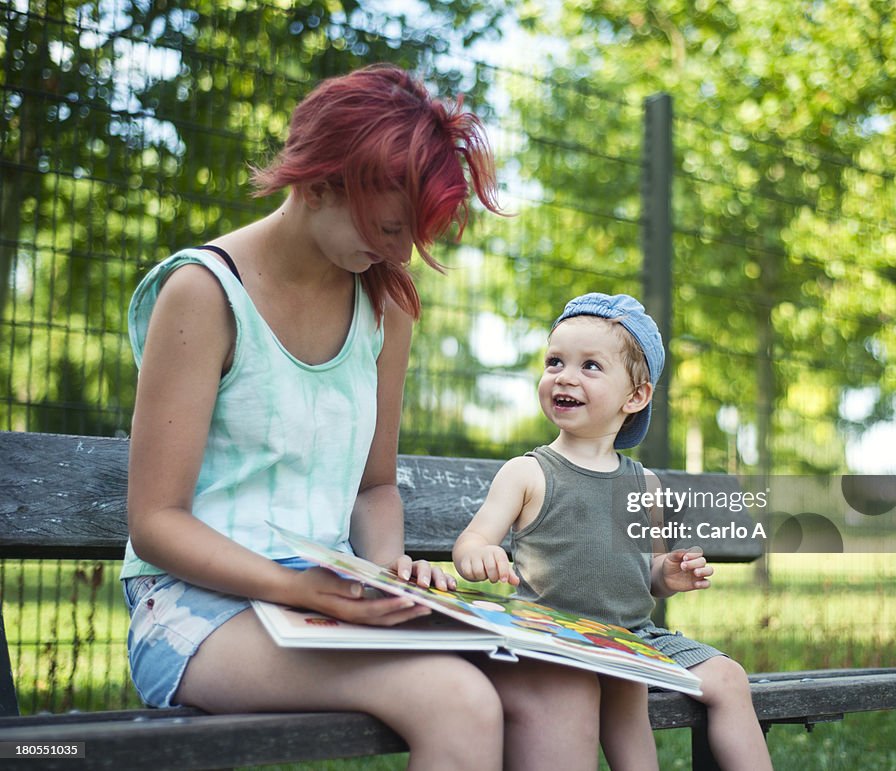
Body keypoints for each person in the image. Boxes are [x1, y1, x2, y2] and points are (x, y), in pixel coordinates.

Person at [122, 64, 601, 771]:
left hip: (329, 597)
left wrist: (384, 575)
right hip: (200, 611)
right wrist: (300, 587)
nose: (401, 253)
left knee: (558, 680)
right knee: (457, 699)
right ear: (320, 183)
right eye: (388, 227)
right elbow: (156, 522)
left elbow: (375, 487)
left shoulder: (385, 305)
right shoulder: (203, 293)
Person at [453, 292, 773, 770]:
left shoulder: (645, 484)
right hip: (554, 635)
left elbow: (644, 573)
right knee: (618, 684)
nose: (565, 376)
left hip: (632, 636)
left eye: (590, 367)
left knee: (728, 678)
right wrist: (479, 556)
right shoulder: (528, 473)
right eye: (555, 361)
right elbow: (472, 542)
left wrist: (669, 573)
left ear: (636, 396)